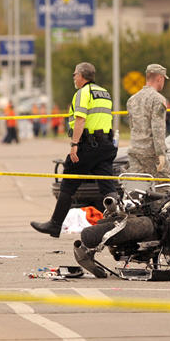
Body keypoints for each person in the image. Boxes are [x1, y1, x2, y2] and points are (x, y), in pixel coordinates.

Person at [31, 62, 117, 237]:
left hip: (88, 144)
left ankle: (55, 225)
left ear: (81, 76)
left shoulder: (82, 93)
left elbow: (80, 120)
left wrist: (74, 145)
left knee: (68, 182)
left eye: (74, 75)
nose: (73, 78)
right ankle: (119, 223)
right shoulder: (104, 93)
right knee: (108, 185)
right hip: (106, 145)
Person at [126, 64, 170, 179]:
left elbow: (132, 126)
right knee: (164, 186)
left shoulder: (132, 99)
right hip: (151, 152)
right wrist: (161, 153)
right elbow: (158, 129)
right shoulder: (158, 99)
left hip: (135, 150)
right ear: (159, 78)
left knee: (136, 188)